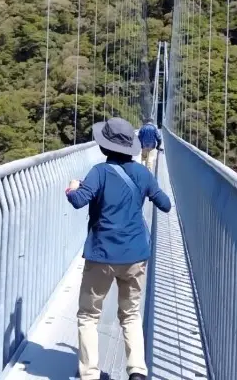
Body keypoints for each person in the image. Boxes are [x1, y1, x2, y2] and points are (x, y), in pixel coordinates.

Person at [65, 117, 172, 380]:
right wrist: (148, 192)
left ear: (104, 147)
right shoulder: (144, 174)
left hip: (102, 254)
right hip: (135, 255)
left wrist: (72, 188)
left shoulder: (98, 172)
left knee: (89, 315)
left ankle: (89, 374)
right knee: (131, 313)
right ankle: (137, 370)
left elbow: (78, 201)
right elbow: (166, 204)